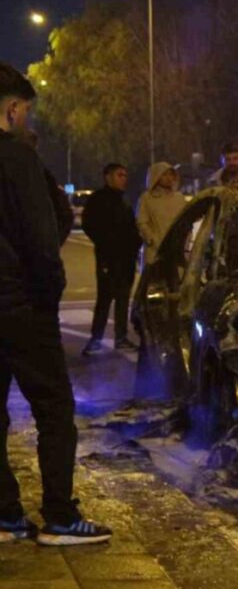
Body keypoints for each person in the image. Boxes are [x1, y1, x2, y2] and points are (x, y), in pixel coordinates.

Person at [0, 63, 112, 544]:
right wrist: (47, 296)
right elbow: (42, 240)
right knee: (53, 410)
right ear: (12, 108)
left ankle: (5, 514)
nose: (26, 118)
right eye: (24, 110)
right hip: (22, 307)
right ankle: (61, 517)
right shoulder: (18, 159)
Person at [81, 163, 143, 355]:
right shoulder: (98, 199)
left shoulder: (125, 200)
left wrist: (135, 245)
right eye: (119, 175)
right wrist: (106, 243)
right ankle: (96, 338)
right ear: (107, 176)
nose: (124, 179)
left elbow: (132, 227)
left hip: (126, 259)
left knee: (123, 298)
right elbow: (89, 225)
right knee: (105, 298)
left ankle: (121, 337)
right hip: (108, 258)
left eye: (125, 175)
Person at [136, 162, 188, 266]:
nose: (168, 178)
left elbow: (186, 221)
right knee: (155, 281)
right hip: (155, 251)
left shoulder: (179, 198)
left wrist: (185, 241)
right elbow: (141, 222)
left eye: (171, 174)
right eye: (164, 174)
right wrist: (151, 239)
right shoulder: (147, 198)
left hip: (176, 250)